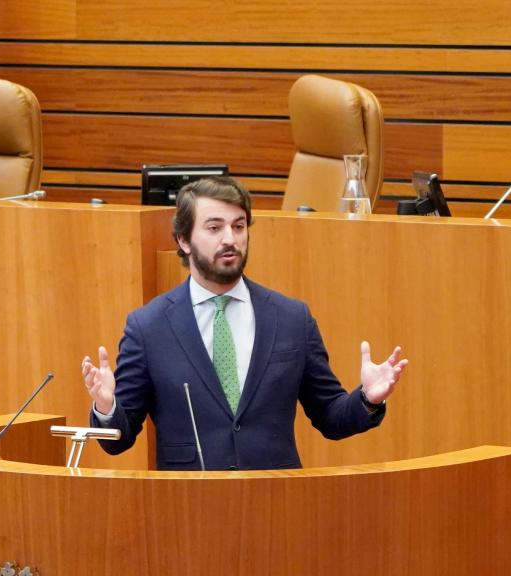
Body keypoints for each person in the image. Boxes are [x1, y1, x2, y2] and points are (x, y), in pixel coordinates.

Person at [81, 176, 408, 471]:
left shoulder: (291, 318)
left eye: (238, 226)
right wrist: (107, 405)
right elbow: (117, 441)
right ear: (183, 239)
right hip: (186, 509)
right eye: (214, 228)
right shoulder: (148, 327)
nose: (230, 239)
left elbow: (331, 418)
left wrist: (367, 397)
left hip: (276, 503)